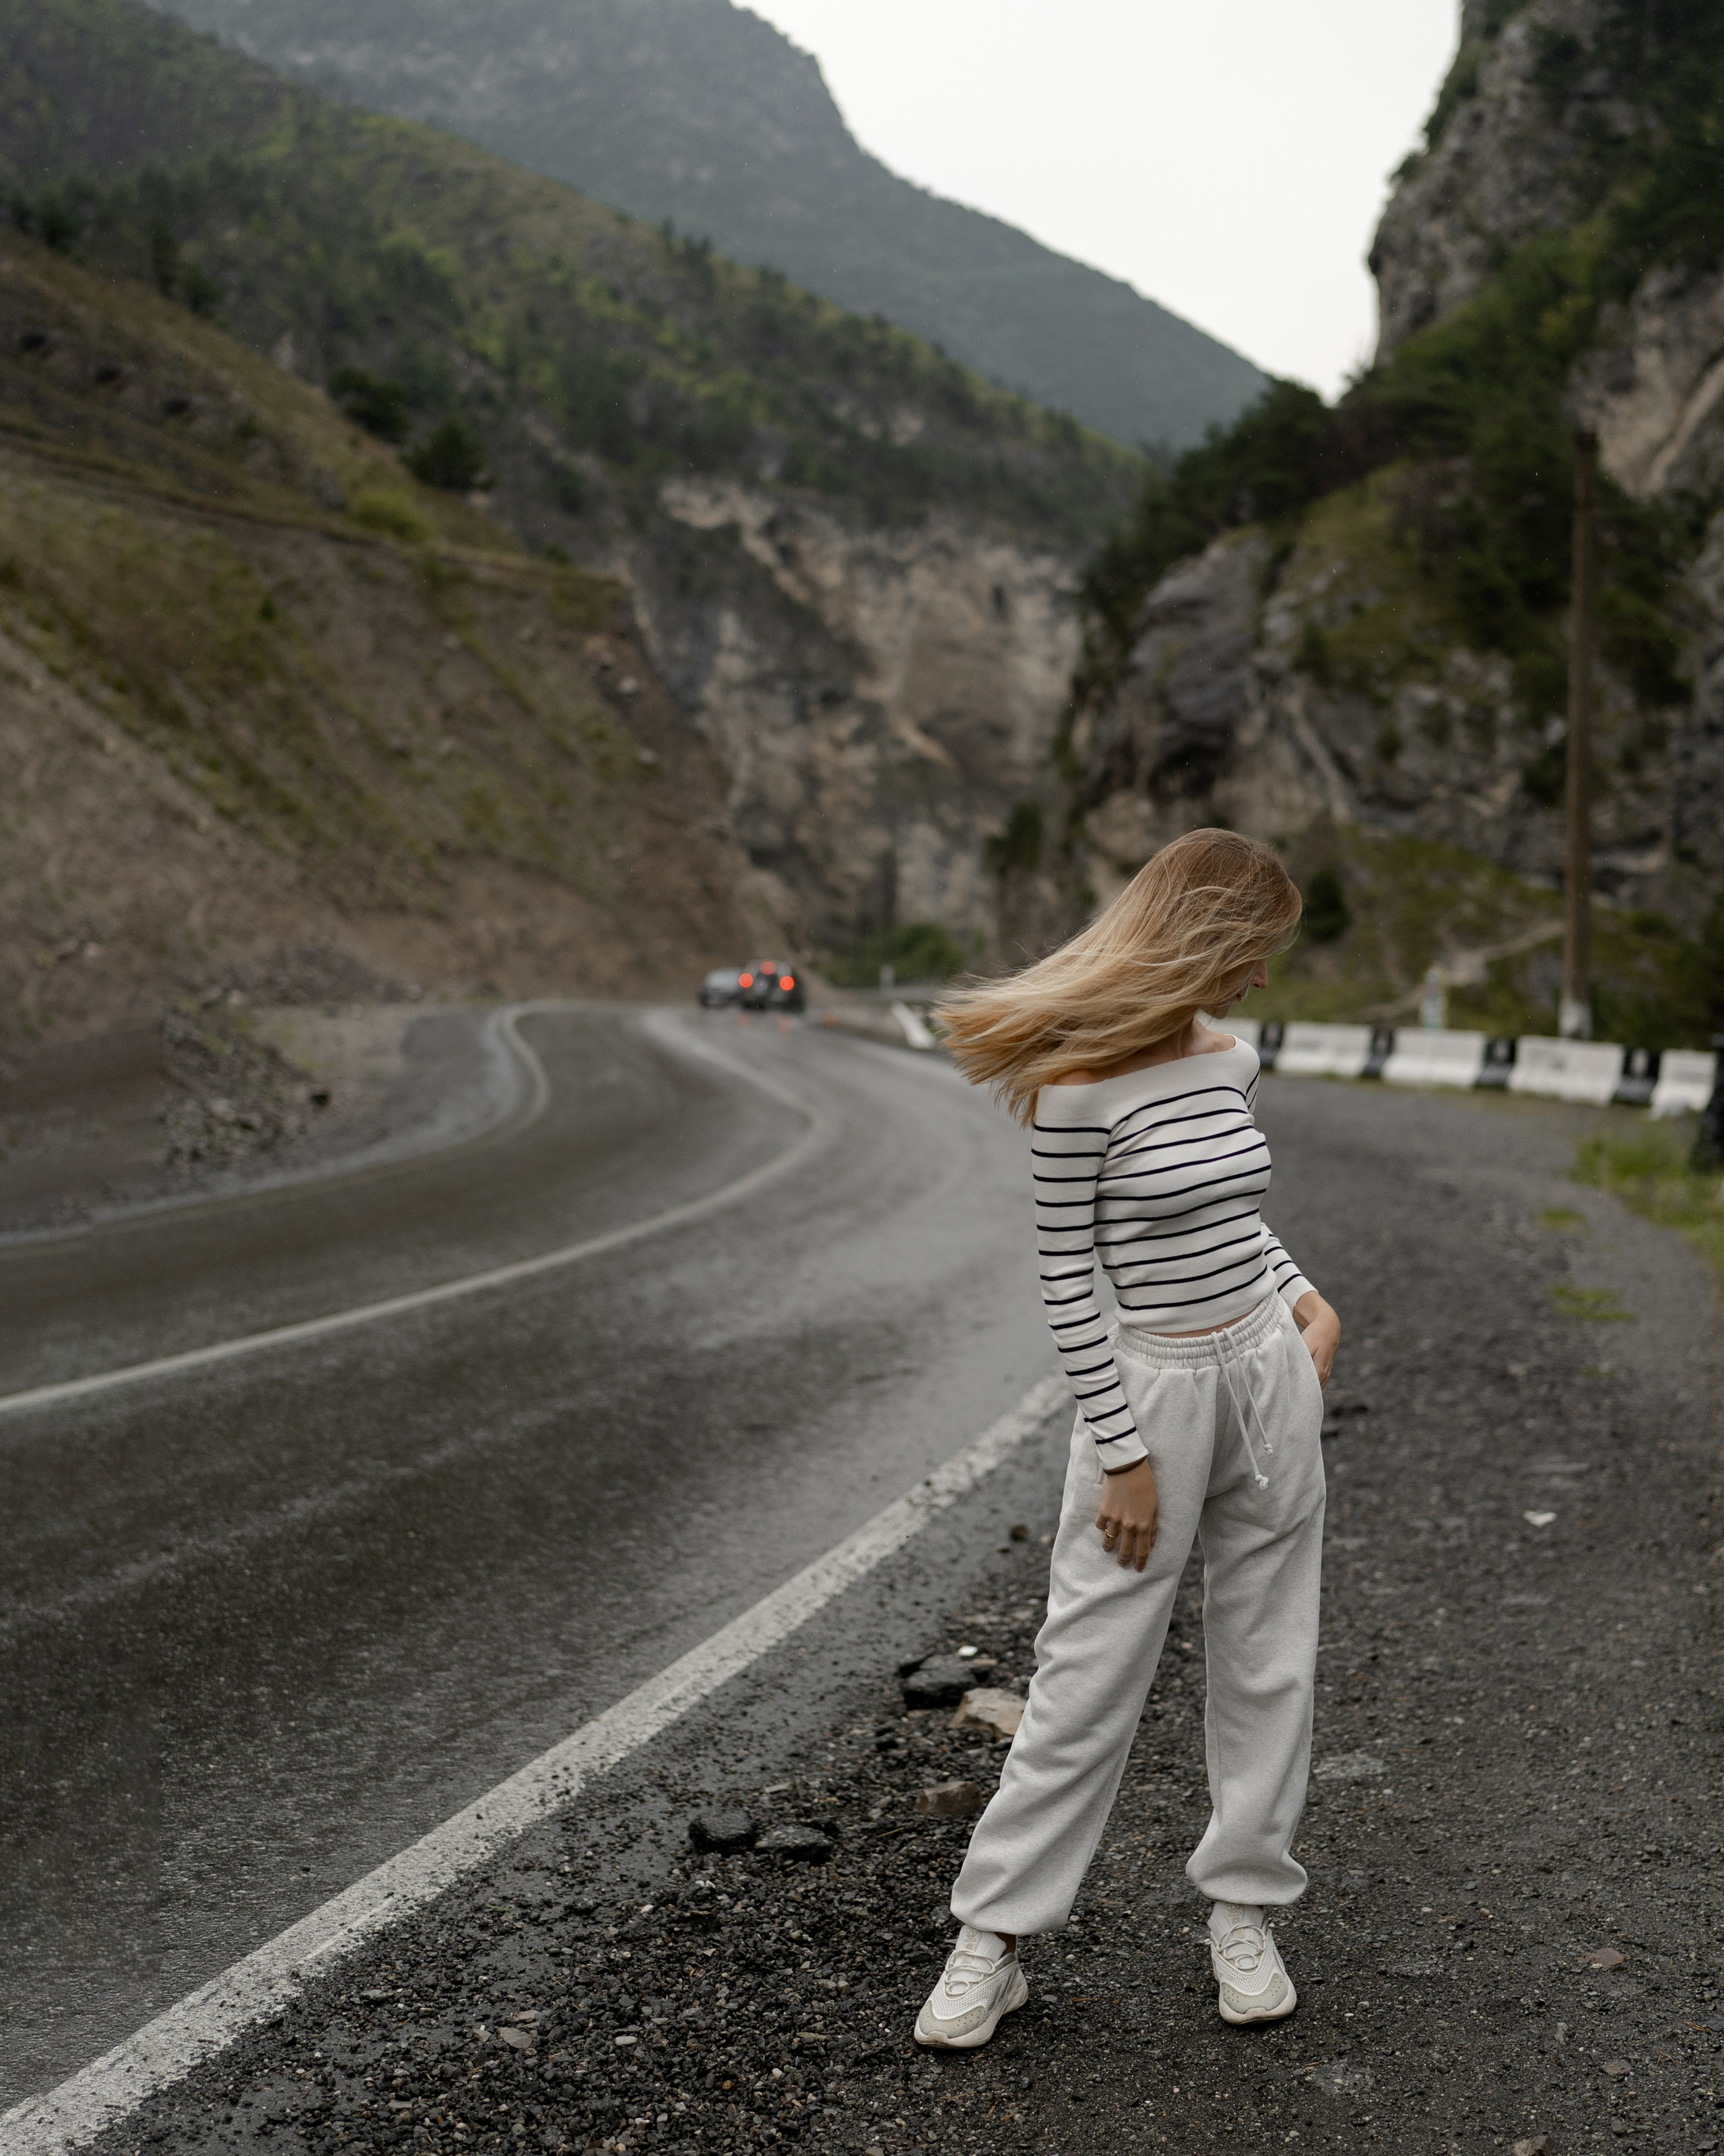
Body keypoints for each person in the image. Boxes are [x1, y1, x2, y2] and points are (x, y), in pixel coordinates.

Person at [914, 828, 1340, 2050]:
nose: (1261, 976)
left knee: (1272, 1659)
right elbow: (1066, 1280)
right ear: (1207, 934)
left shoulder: (1230, 1056)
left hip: (1267, 1369)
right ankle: (990, 1940)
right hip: (1147, 1392)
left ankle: (1244, 1911)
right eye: (1255, 948)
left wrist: (1307, 1294)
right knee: (1087, 1673)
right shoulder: (1076, 1082)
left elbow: (1231, 1215)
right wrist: (1126, 1451)